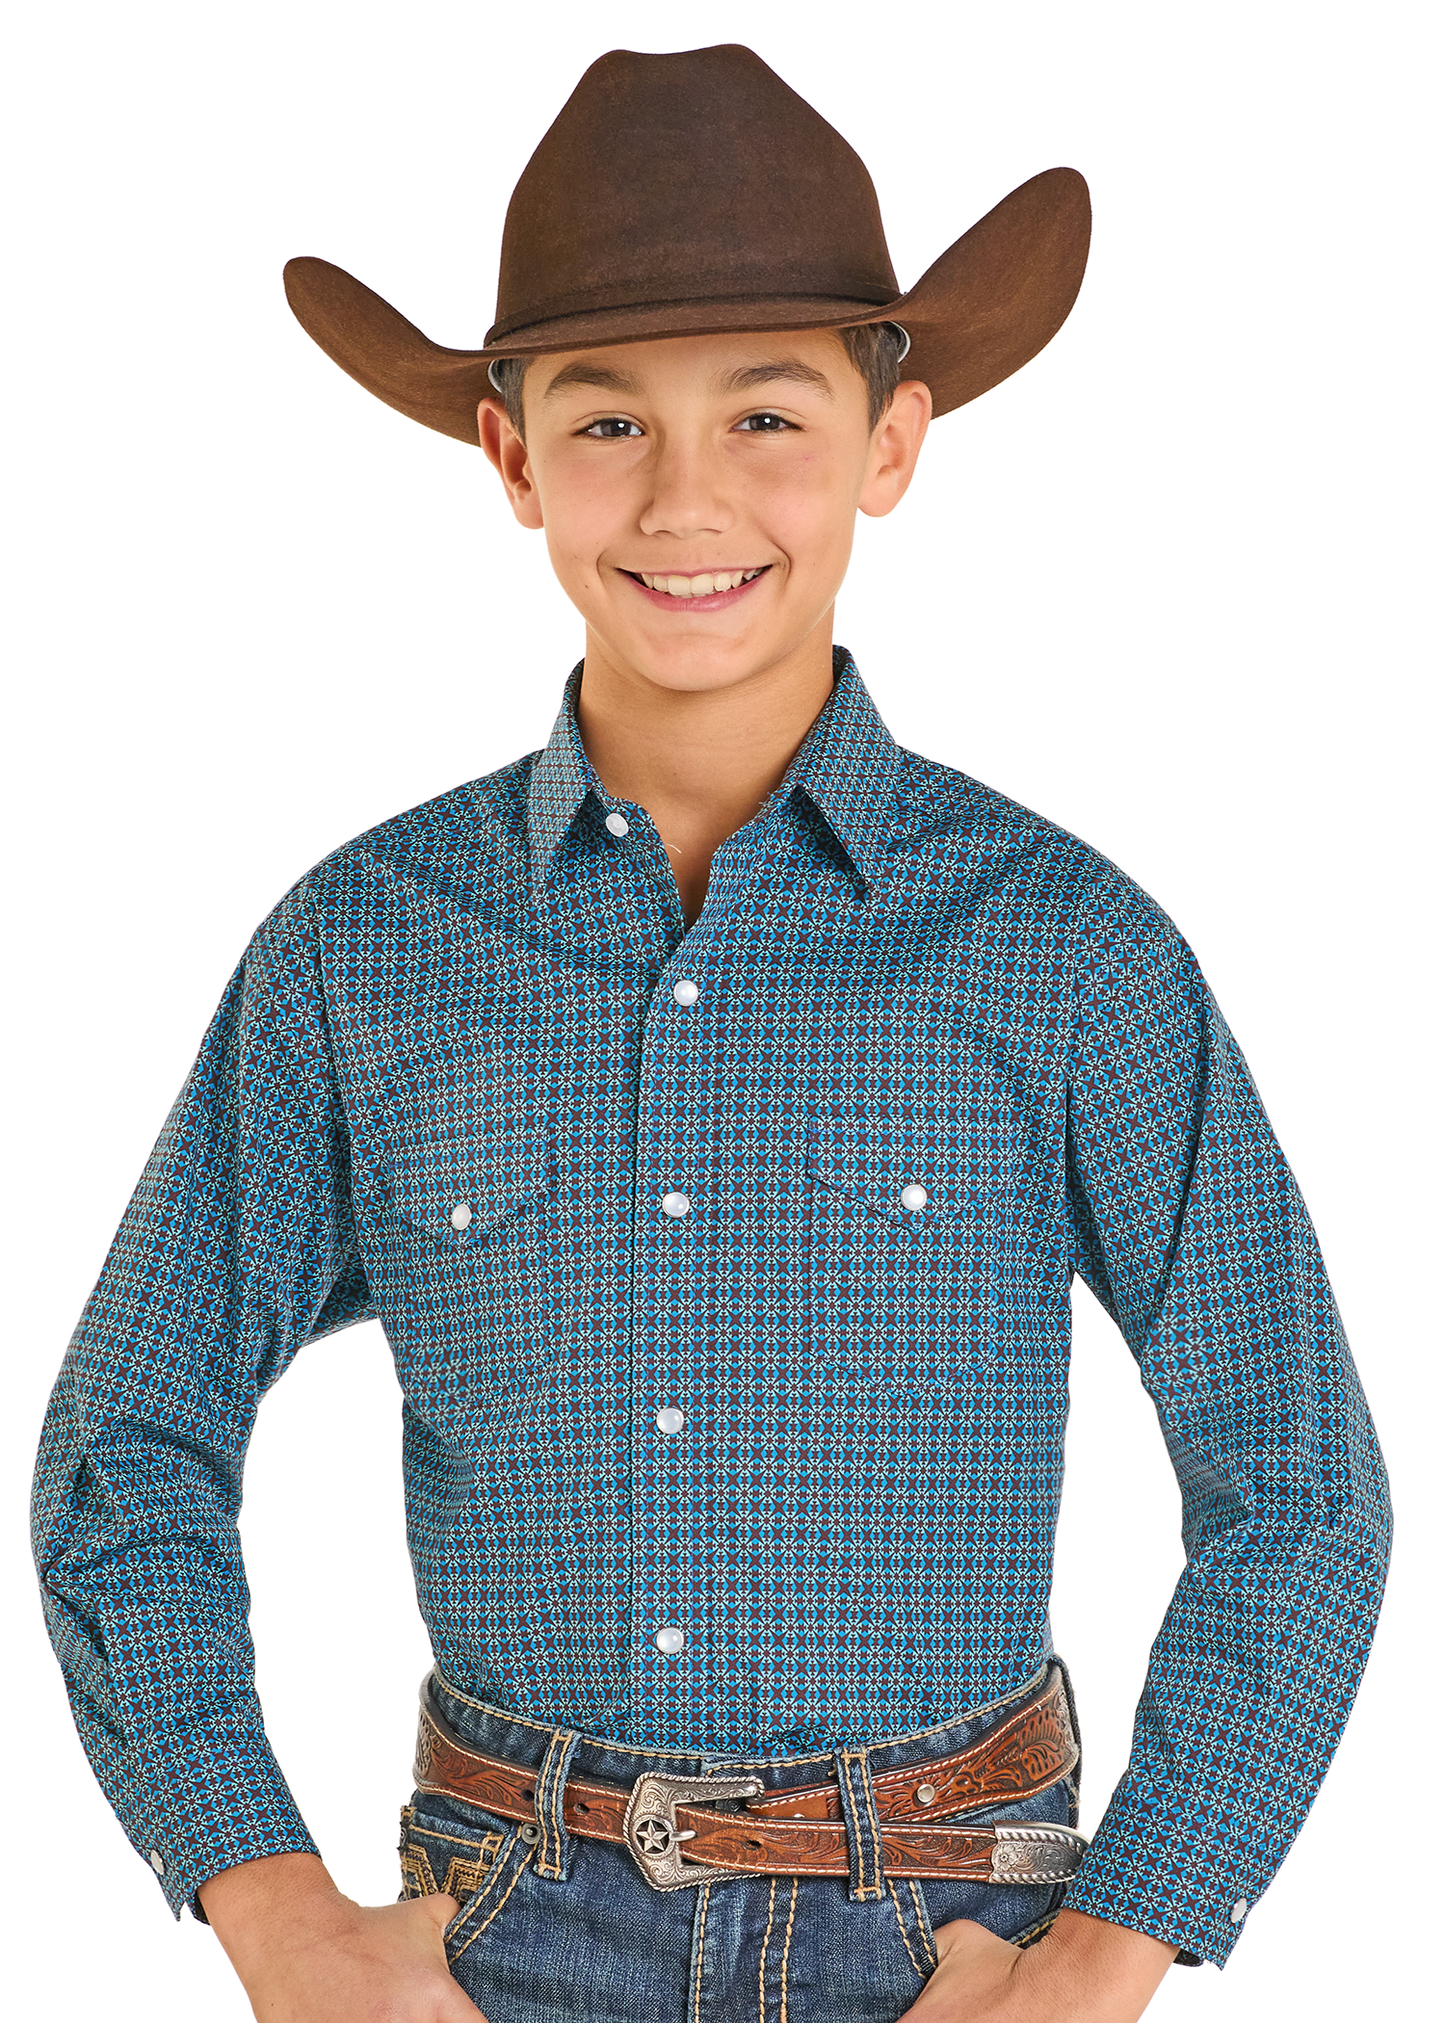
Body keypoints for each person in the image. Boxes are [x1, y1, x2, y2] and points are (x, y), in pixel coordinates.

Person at [28, 40, 1392, 2023]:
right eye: (604, 425)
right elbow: (122, 1449)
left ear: (887, 447)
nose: (683, 500)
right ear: (507, 459)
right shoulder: (361, 948)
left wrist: (1109, 1956)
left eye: (763, 414)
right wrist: (269, 1910)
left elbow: (1297, 1486)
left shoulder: (1064, 946)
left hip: (954, 1932)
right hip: (495, 1934)